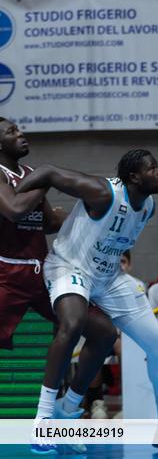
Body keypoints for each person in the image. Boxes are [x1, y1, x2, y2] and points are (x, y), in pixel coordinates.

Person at [16, 150, 158, 451]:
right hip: (69, 266)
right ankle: (43, 421)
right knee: (74, 322)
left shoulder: (148, 208)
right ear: (134, 176)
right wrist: (13, 199)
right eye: (153, 168)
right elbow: (49, 171)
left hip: (108, 277)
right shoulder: (102, 193)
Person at [0, 118, 121, 454]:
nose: (20, 134)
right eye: (11, 132)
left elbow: (48, 222)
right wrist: (47, 180)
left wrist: (95, 214)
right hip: (6, 274)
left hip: (42, 274)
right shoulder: (16, 176)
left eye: (20, 129)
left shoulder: (31, 174)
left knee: (104, 332)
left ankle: (66, 414)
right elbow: (12, 210)